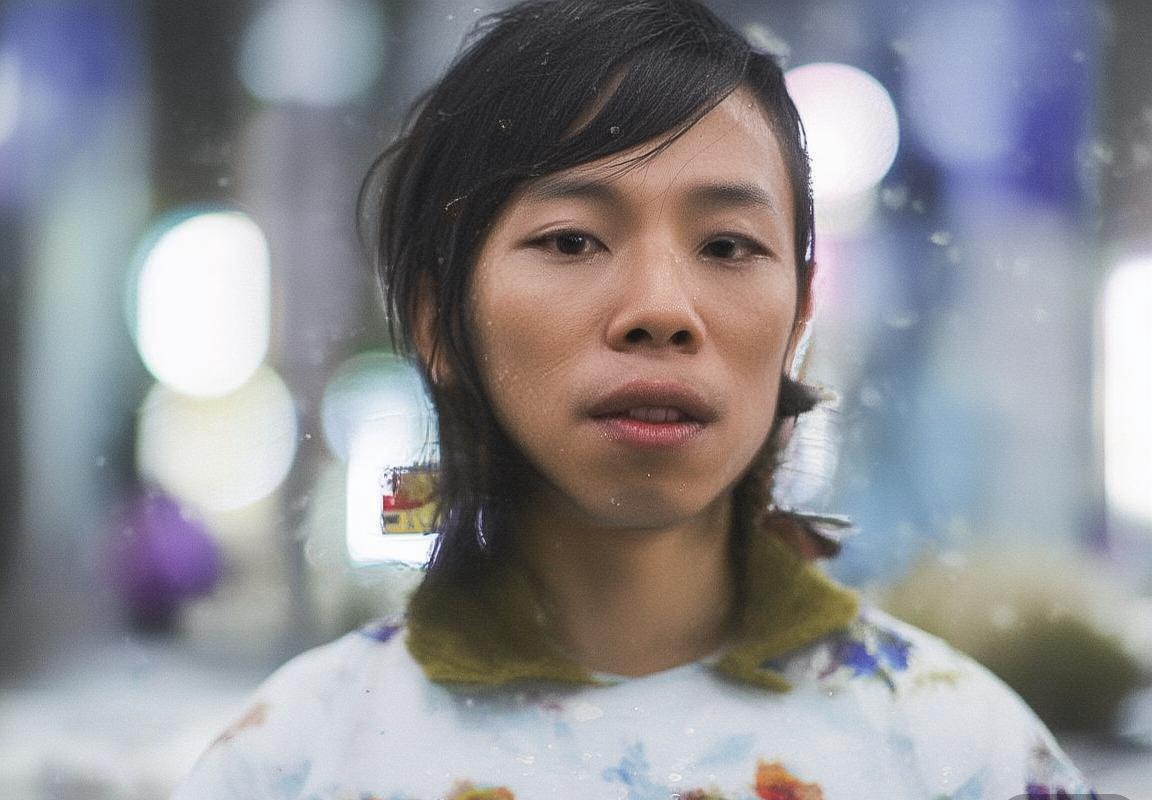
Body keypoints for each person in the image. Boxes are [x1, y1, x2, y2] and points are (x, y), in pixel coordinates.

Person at [174, 1, 1097, 797]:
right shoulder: (297, 761)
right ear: (435, 317)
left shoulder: (958, 754)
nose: (662, 310)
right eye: (572, 240)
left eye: (728, 247)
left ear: (799, 319)